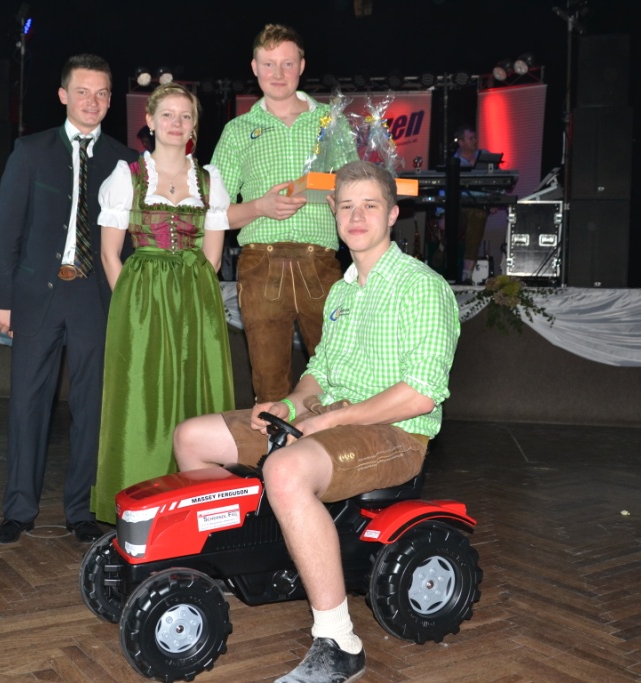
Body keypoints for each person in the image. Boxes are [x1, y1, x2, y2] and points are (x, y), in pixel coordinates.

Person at [173, 161, 460, 683]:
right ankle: (227, 565)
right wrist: (289, 405)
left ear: (392, 214)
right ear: (333, 211)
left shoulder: (422, 287)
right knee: (192, 437)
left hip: (397, 433)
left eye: (370, 205)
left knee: (284, 469)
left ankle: (339, 642)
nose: (357, 216)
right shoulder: (343, 291)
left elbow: (420, 395)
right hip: (333, 417)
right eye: (346, 206)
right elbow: (320, 374)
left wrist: (331, 420)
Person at [0, 54, 136, 545]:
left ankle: (82, 510)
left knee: (92, 407)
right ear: (63, 95)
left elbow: (128, 241)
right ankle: (18, 510)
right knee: (27, 404)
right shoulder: (30, 151)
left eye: (102, 93)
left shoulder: (125, 161)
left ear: (110, 101)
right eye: (83, 91)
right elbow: (6, 230)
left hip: (95, 297)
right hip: (38, 297)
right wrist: (3, 298)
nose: (93, 101)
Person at [89, 83, 234, 523]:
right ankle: (142, 501)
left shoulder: (209, 180)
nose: (176, 123)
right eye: (167, 115)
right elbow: (110, 255)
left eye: (185, 116)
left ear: (194, 126)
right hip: (141, 303)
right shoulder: (127, 176)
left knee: (196, 392)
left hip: (195, 301)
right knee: (142, 396)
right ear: (150, 121)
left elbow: (212, 259)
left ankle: (199, 506)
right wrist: (133, 309)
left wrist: (192, 301)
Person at [211, 23, 358, 403]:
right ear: (254, 67)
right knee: (269, 390)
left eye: (287, 63)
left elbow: (356, 196)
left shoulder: (332, 122)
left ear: (302, 66)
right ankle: (274, 442)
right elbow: (215, 214)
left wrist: (342, 200)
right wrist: (260, 207)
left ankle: (335, 443)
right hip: (260, 264)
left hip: (322, 261)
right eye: (269, 64)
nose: (278, 73)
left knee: (338, 383)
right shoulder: (237, 131)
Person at [442, 124, 494, 283]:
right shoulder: (453, 161)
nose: (475, 141)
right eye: (471, 138)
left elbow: (495, 181)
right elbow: (444, 188)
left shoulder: (485, 156)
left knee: (474, 235)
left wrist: (493, 199)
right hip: (458, 205)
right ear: (461, 142)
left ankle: (466, 276)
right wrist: (442, 213)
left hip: (478, 205)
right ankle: (442, 254)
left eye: (475, 138)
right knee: (453, 232)